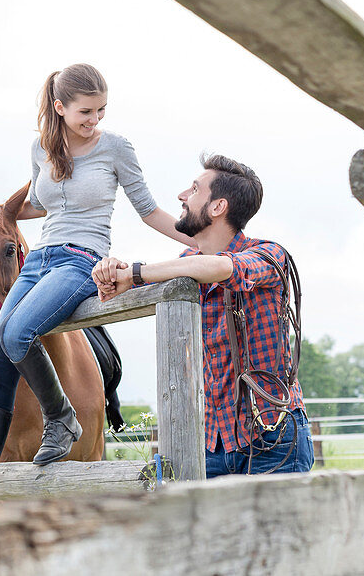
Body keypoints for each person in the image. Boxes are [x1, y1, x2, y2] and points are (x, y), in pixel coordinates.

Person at [0, 64, 192, 496]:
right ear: (60, 107)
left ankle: (62, 417)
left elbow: (149, 210)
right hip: (38, 262)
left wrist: (201, 241)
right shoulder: (40, 149)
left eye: (101, 110)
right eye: (86, 111)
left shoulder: (116, 148)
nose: (94, 120)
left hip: (80, 260)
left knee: (17, 333)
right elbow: (34, 204)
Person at [91, 154, 314, 477]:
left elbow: (223, 267)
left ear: (217, 207)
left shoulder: (268, 255)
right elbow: (183, 267)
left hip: (272, 436)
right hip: (212, 444)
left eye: (194, 190)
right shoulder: (185, 263)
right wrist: (112, 269)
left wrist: (136, 273)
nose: (182, 196)